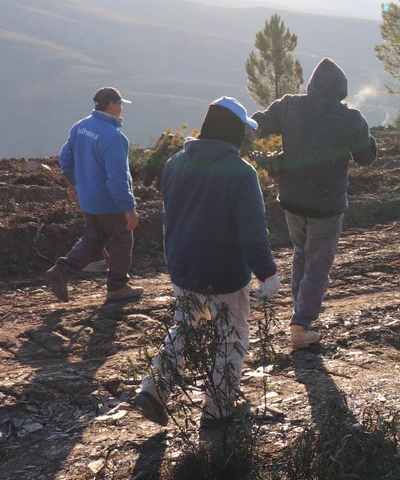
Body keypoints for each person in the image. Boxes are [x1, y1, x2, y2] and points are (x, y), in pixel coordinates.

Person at [134, 97, 279, 432]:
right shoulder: (241, 172)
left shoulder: (175, 163)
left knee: (185, 327)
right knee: (232, 337)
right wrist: (267, 272)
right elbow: (253, 230)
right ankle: (218, 409)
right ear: (234, 132)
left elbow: (174, 214)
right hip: (225, 273)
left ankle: (154, 389)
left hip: (183, 267)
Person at [251, 59, 378, 352]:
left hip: (292, 200)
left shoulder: (288, 106)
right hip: (327, 205)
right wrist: (365, 133)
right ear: (341, 90)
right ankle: (301, 324)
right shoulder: (350, 118)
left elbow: (255, 124)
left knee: (301, 253)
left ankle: (300, 312)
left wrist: (262, 157)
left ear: (311, 84)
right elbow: (366, 157)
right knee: (318, 266)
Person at [45, 87, 141, 303]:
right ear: (111, 104)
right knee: (122, 240)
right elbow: (117, 178)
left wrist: (74, 186)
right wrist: (129, 208)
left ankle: (61, 271)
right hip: (110, 203)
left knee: (93, 239)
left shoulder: (80, 127)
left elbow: (65, 160)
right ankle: (117, 287)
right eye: (120, 103)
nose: (122, 108)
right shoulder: (114, 137)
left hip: (88, 200)